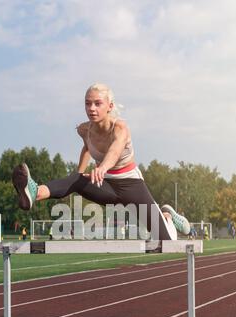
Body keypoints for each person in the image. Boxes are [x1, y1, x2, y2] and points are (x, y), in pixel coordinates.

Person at [12, 83, 190, 240]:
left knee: (166, 242)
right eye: (88, 103)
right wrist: (77, 175)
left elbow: (115, 150)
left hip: (131, 185)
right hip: (105, 185)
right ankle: (35, 192)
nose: (92, 108)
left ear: (110, 106)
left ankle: (167, 216)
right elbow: (87, 148)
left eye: (98, 103)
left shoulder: (120, 128)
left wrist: (103, 167)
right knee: (77, 180)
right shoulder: (84, 130)